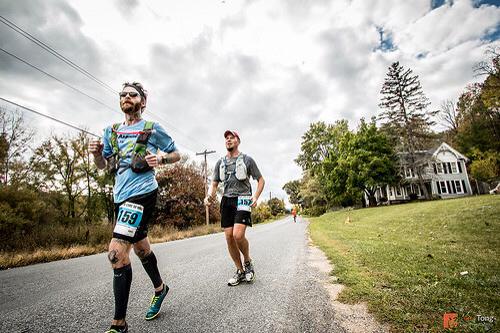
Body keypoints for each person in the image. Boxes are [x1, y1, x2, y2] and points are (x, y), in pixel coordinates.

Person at [89, 82, 180, 333]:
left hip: (144, 193)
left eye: (133, 94)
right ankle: (161, 289)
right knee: (140, 247)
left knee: (116, 253)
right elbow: (103, 166)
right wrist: (97, 154)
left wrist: (161, 158)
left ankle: (119, 325)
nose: (127, 97)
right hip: (121, 196)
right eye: (123, 94)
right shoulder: (111, 131)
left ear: (143, 101)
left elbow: (176, 154)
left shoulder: (152, 128)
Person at [204, 130, 265, 286]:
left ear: (238, 141)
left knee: (238, 235)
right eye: (226, 138)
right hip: (226, 200)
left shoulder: (247, 160)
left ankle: (248, 261)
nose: (228, 140)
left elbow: (261, 180)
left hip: (243, 199)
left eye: (232, 138)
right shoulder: (220, 162)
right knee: (229, 237)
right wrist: (209, 197)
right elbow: (214, 184)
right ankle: (240, 271)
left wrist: (256, 197)